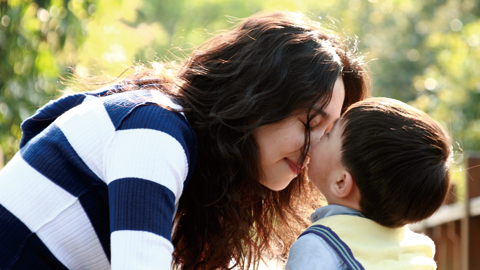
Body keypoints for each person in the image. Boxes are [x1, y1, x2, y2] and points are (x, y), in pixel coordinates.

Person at [0, 11, 370, 270]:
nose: (314, 150)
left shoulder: (189, 165)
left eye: (327, 133)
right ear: (258, 98)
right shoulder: (154, 130)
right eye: (311, 122)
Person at [285, 97, 452, 270]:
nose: (317, 138)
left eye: (328, 135)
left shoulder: (320, 246)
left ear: (341, 182)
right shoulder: (416, 251)